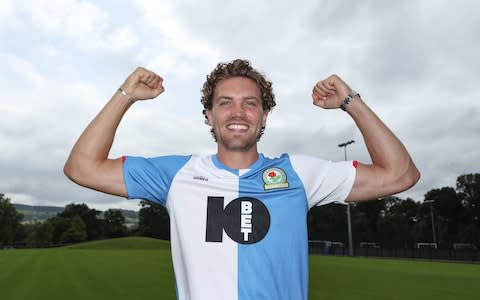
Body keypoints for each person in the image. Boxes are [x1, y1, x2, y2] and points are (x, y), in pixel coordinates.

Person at [64, 59, 420, 300]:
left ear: (265, 116)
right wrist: (126, 94)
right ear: (209, 114)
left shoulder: (299, 173)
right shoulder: (176, 175)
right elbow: (82, 167)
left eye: (250, 103)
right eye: (225, 103)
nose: (237, 112)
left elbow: (401, 174)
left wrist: (350, 101)